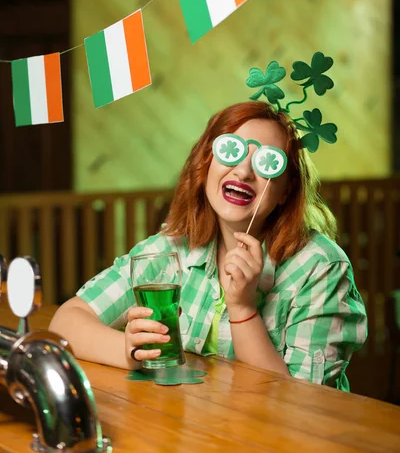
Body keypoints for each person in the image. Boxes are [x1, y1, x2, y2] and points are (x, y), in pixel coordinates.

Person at [50, 100, 367, 390]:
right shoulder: (170, 248)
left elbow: (305, 403)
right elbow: (66, 322)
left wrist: (242, 308)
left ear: (286, 190)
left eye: (266, 163)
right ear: (206, 166)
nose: (243, 171)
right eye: (232, 152)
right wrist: (130, 351)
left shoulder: (319, 266)